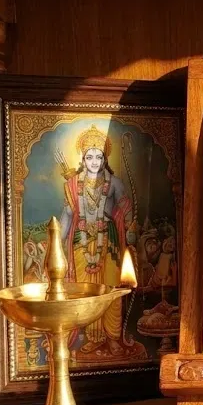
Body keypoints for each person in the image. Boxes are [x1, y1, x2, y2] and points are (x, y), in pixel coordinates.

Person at [55, 124, 144, 361]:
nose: (94, 160)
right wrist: (56, 244)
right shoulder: (72, 185)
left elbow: (125, 209)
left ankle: (113, 338)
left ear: (105, 159)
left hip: (110, 244)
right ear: (83, 159)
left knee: (112, 291)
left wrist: (131, 230)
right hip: (81, 244)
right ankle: (94, 340)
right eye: (89, 156)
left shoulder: (114, 183)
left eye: (99, 156)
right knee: (88, 291)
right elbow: (66, 216)